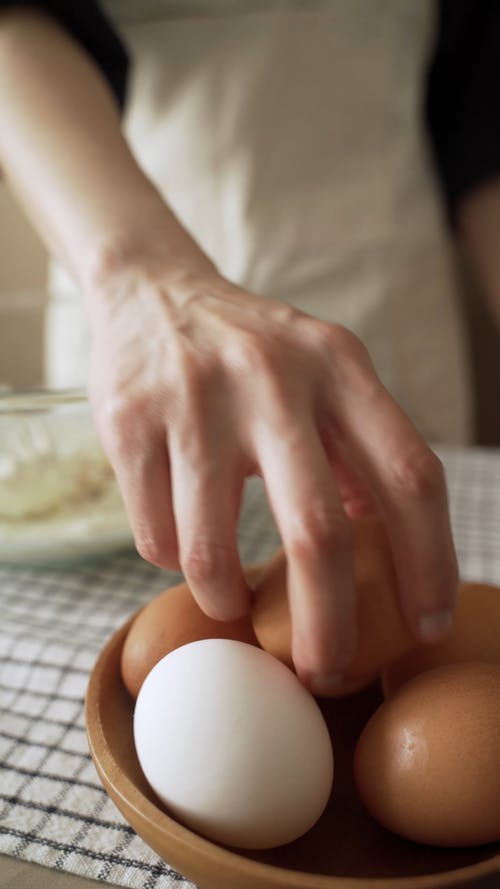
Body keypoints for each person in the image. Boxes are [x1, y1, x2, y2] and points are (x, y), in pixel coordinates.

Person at [0, 0, 498, 695]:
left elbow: (481, 104)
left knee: (406, 617)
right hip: (145, 309)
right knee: (186, 654)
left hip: (388, 315)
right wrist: (142, 279)